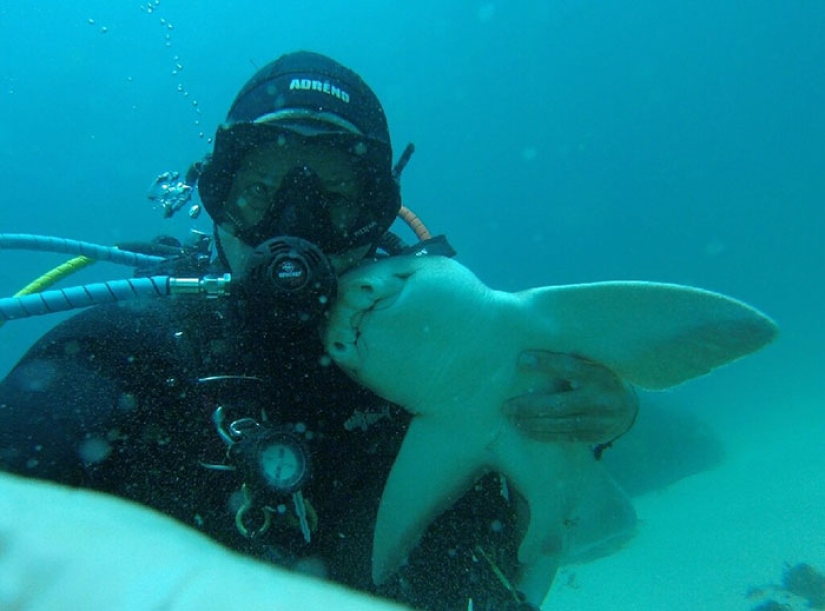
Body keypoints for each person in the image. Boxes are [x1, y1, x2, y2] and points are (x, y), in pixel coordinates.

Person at [0, 51, 637, 610]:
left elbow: (540, 519)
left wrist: (577, 417)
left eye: (335, 198)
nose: (294, 230)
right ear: (214, 195)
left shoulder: (453, 352)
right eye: (258, 192)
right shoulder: (129, 346)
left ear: (378, 215)